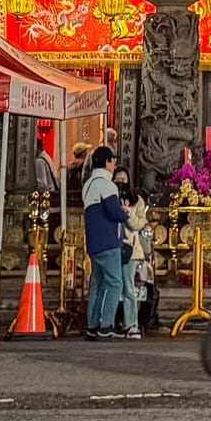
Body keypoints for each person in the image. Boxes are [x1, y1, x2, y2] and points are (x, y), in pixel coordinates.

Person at [82, 145, 128, 339]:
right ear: (107, 162)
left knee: (98, 284)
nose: (115, 165)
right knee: (115, 283)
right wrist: (124, 212)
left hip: (93, 243)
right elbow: (114, 212)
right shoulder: (107, 185)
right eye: (113, 161)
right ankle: (106, 324)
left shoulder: (88, 184)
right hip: (108, 242)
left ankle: (92, 325)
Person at [111, 166, 149, 339]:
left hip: (130, 249)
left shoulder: (137, 201)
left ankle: (131, 324)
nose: (120, 183)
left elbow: (139, 224)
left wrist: (127, 215)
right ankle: (110, 323)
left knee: (128, 287)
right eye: (117, 179)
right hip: (111, 246)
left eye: (123, 179)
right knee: (112, 286)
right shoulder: (111, 199)